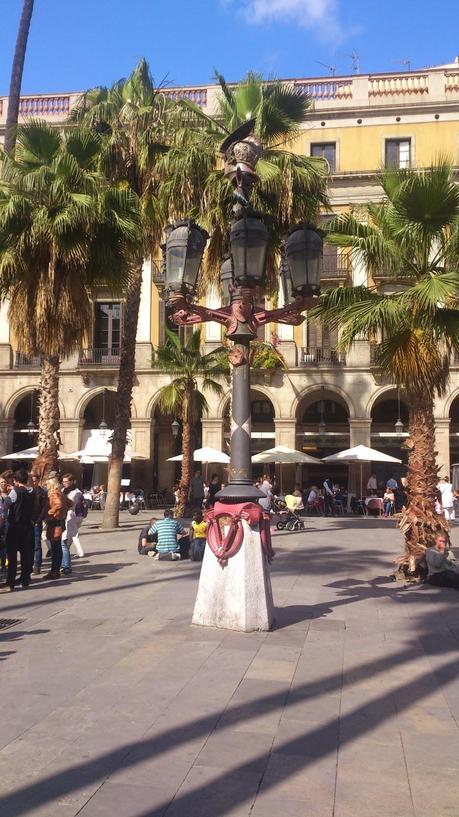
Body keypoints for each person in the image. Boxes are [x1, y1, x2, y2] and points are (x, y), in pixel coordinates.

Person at [1, 469, 35, 592]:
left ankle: (10, 582)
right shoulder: (32, 491)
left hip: (15, 526)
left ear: (16, 480)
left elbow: (6, 504)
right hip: (27, 526)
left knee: (12, 555)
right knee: (25, 554)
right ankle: (25, 579)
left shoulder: (15, 491)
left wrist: (3, 493)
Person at [43, 476, 73, 581]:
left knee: (55, 548)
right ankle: (55, 571)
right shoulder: (61, 493)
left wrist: (51, 511)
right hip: (60, 522)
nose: (46, 485)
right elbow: (70, 503)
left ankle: (54, 571)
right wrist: (64, 511)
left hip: (54, 522)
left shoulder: (54, 494)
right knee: (57, 547)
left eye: (47, 484)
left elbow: (59, 504)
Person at [61, 473, 85, 575]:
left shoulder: (76, 492)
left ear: (72, 481)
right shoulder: (63, 490)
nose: (64, 483)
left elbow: (70, 504)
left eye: (66, 481)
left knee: (64, 542)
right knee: (67, 541)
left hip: (70, 517)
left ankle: (66, 566)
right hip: (63, 516)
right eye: (63, 481)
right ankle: (64, 564)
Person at [30, 472, 48, 575]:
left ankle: (37, 566)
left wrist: (38, 521)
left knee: (37, 545)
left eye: (35, 481)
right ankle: (30, 564)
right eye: (31, 481)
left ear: (38, 481)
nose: (33, 483)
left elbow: (44, 509)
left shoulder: (42, 492)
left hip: (37, 522)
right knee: (29, 544)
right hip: (28, 522)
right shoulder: (28, 492)